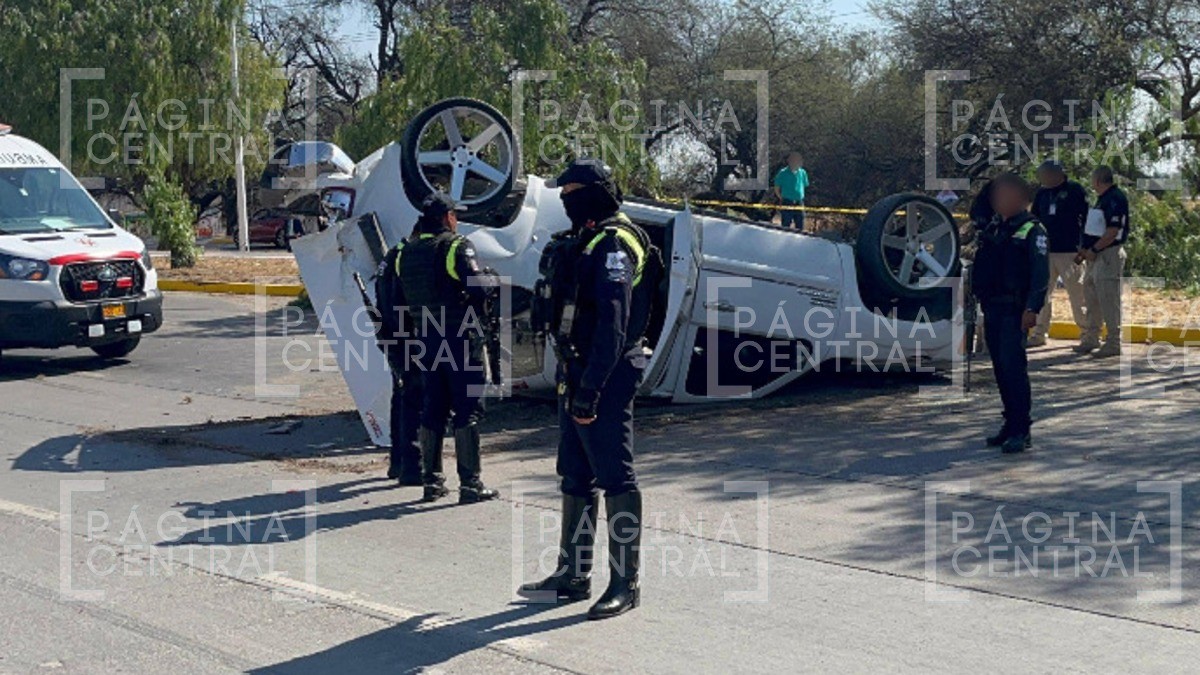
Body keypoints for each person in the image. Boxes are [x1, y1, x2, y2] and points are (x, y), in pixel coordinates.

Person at [518, 158, 653, 620]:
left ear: (599, 193)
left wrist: (591, 389)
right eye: (564, 192)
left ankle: (625, 584)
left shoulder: (616, 243)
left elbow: (613, 327)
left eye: (575, 191)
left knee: (615, 474)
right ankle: (573, 576)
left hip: (607, 372)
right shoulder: (585, 240)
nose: (567, 199)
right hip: (576, 370)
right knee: (574, 474)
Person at [398, 192, 501, 504]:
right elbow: (476, 286)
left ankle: (432, 482)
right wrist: (492, 280)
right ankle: (470, 484)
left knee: (433, 408)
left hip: (426, 338)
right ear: (447, 218)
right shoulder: (455, 246)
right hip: (459, 338)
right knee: (468, 408)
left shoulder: (406, 251)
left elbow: (398, 297)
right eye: (455, 215)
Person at [971, 173, 1049, 454]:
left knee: (1014, 369)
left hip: (1015, 309)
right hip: (993, 305)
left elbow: (1040, 274)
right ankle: (1009, 423)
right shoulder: (995, 227)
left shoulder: (1032, 229)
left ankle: (1021, 429)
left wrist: (1032, 308)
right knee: (1000, 369)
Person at [375, 235, 424, 487]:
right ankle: (412, 467)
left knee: (401, 397)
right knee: (415, 400)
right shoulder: (407, 258)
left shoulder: (391, 256)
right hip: (408, 338)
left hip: (391, 337)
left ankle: (398, 461)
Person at [1029, 159, 1090, 347]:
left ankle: (1088, 334)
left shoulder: (1075, 190)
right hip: (1046, 252)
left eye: (1045, 176)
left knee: (1078, 294)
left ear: (1057, 174)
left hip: (1070, 252)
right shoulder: (1042, 193)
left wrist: (1085, 245)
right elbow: (1034, 219)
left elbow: (1087, 217)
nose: (1042, 179)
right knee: (1042, 294)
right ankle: (1039, 334)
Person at [1075, 166, 1130, 358]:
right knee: (1091, 297)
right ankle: (1091, 337)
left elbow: (1113, 231)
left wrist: (1095, 249)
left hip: (1108, 255)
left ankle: (1114, 341)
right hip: (1094, 256)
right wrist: (1086, 250)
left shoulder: (1115, 198)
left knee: (1108, 298)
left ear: (1098, 180)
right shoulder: (1102, 199)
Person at [772, 151, 810, 230]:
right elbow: (776, 187)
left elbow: (805, 185)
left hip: (799, 202)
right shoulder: (782, 173)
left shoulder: (803, 172)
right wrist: (781, 197)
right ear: (789, 161)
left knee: (800, 225)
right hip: (787, 201)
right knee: (786, 225)